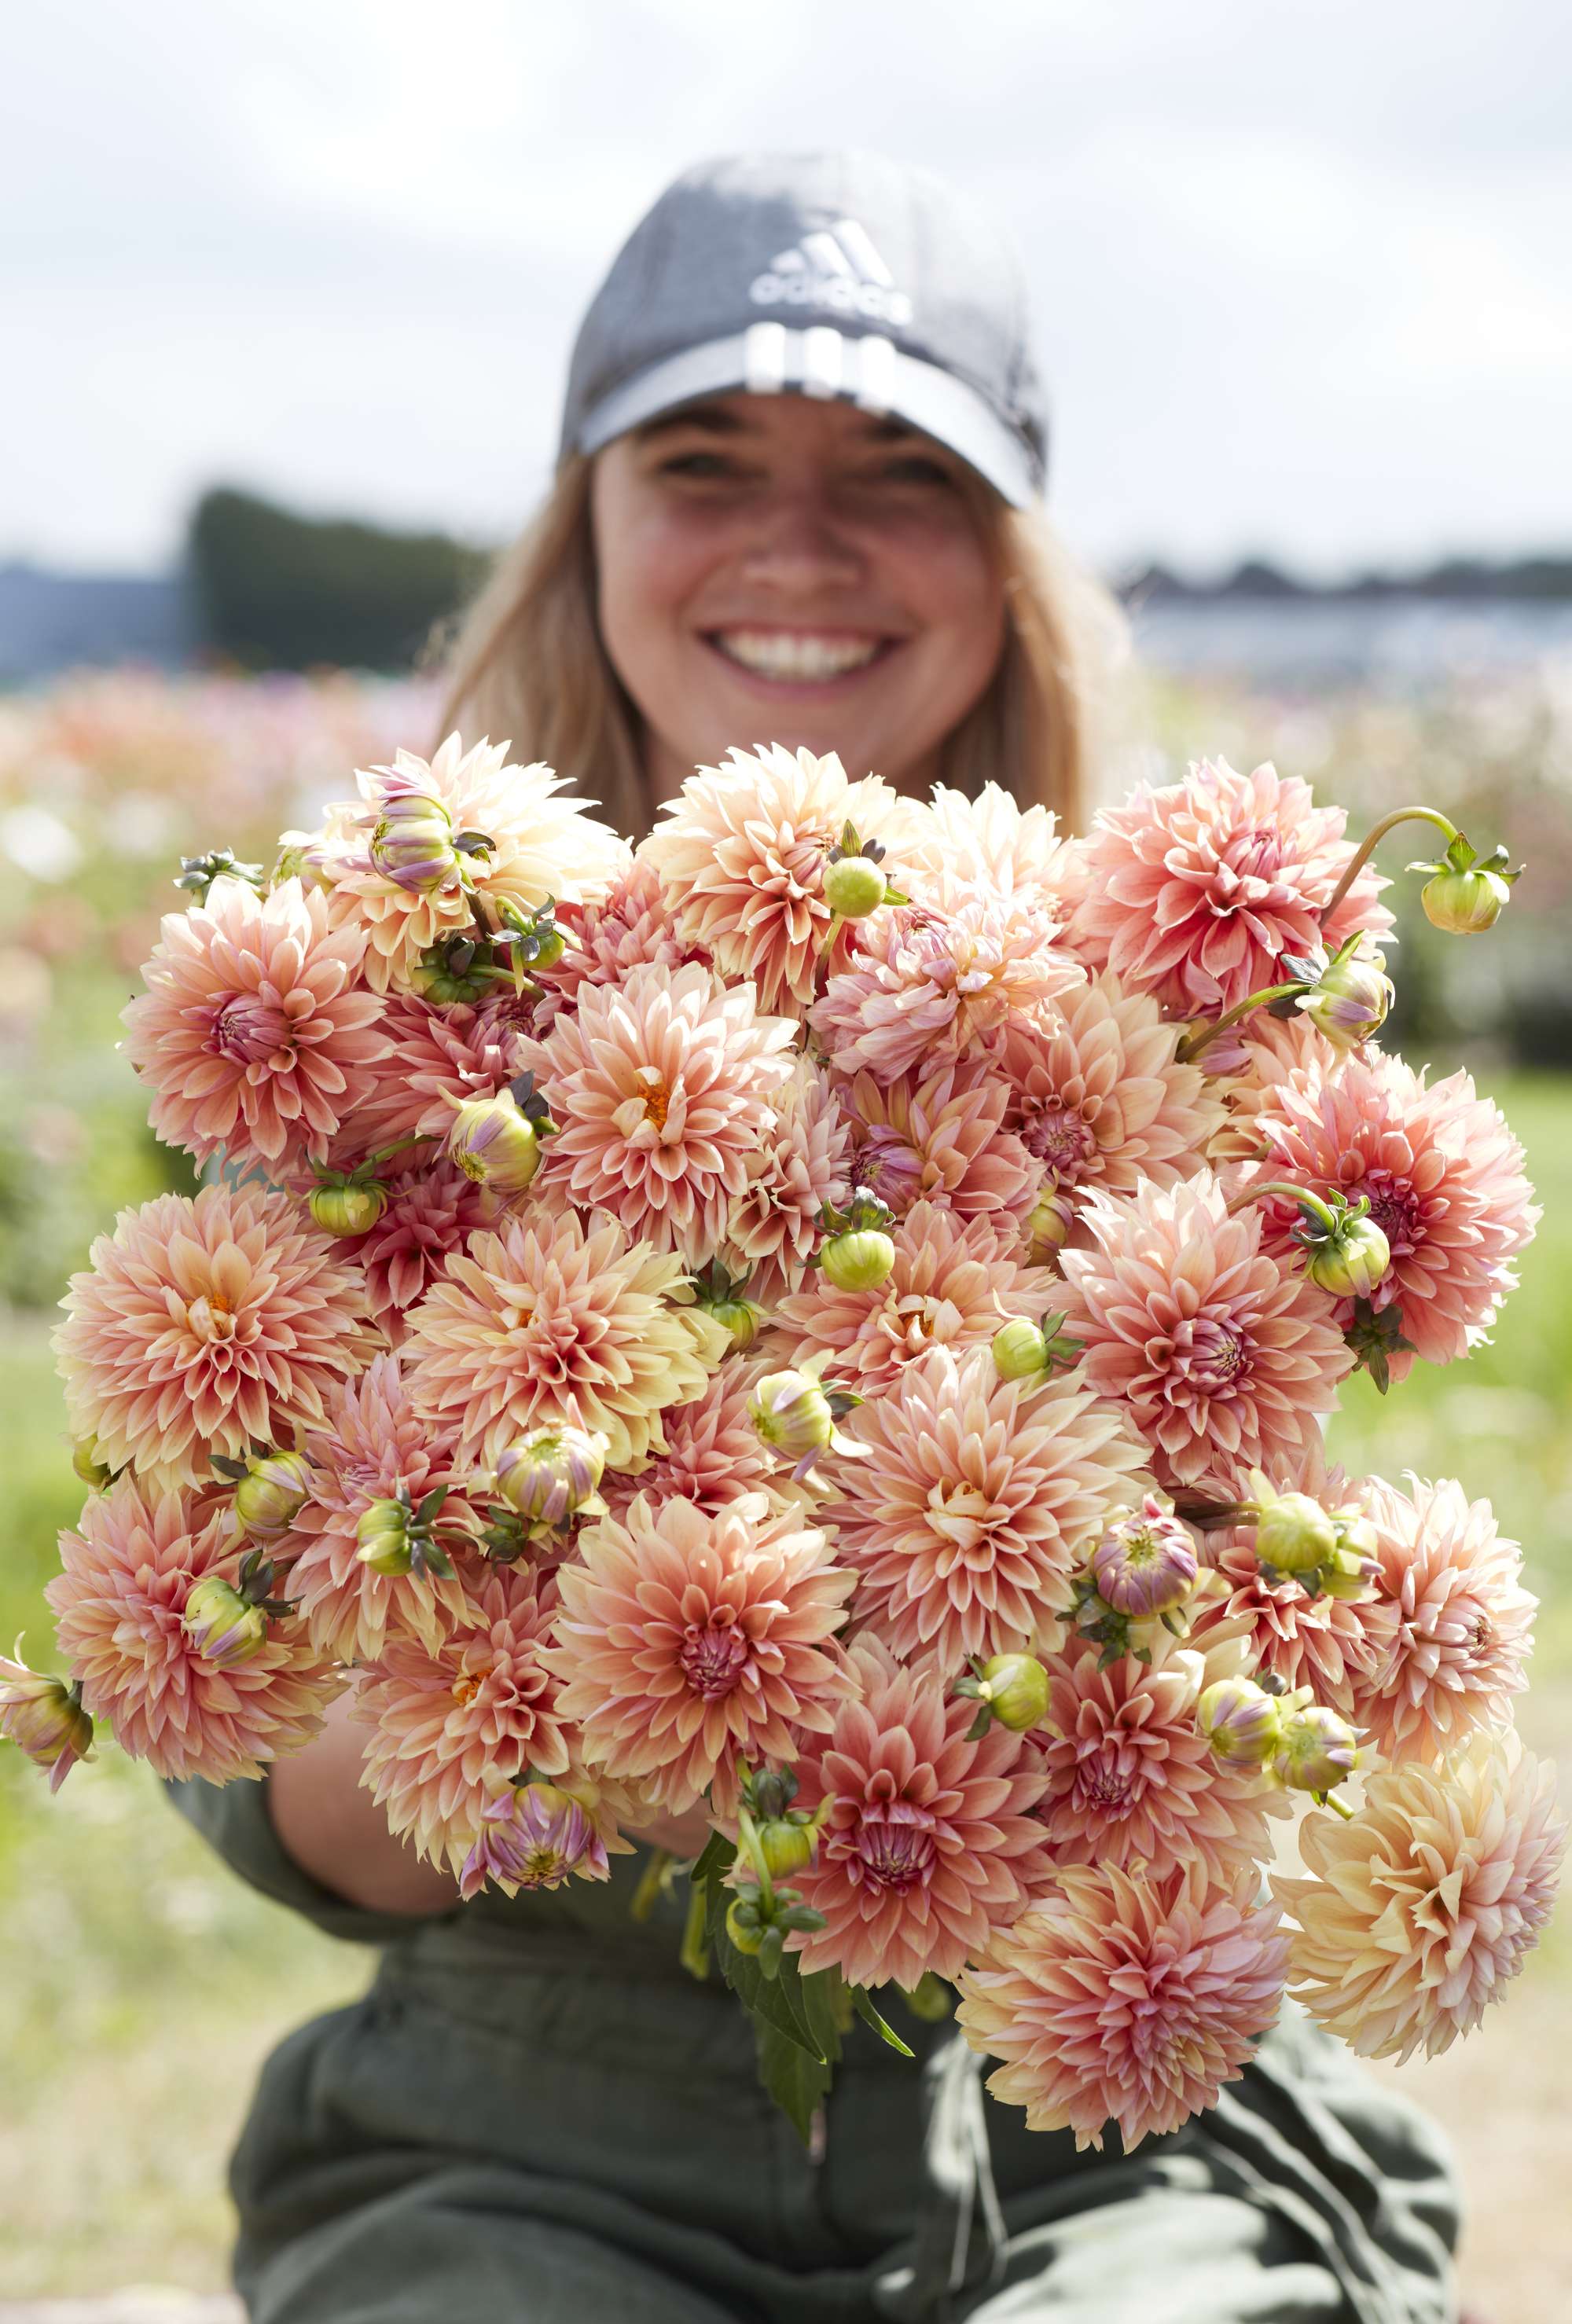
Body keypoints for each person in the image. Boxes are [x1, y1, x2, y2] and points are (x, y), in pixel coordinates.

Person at [167, 152, 1462, 2324]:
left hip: (1114, 2139)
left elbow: (1308, 1663)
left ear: (1013, 553)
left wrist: (1145, 1621)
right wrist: (602, 1683)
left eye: (900, 471)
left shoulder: (1215, 1016)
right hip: (528, 2155)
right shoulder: (372, 1023)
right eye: (705, 461)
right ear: (582, 519)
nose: (800, 542)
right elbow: (268, 1791)